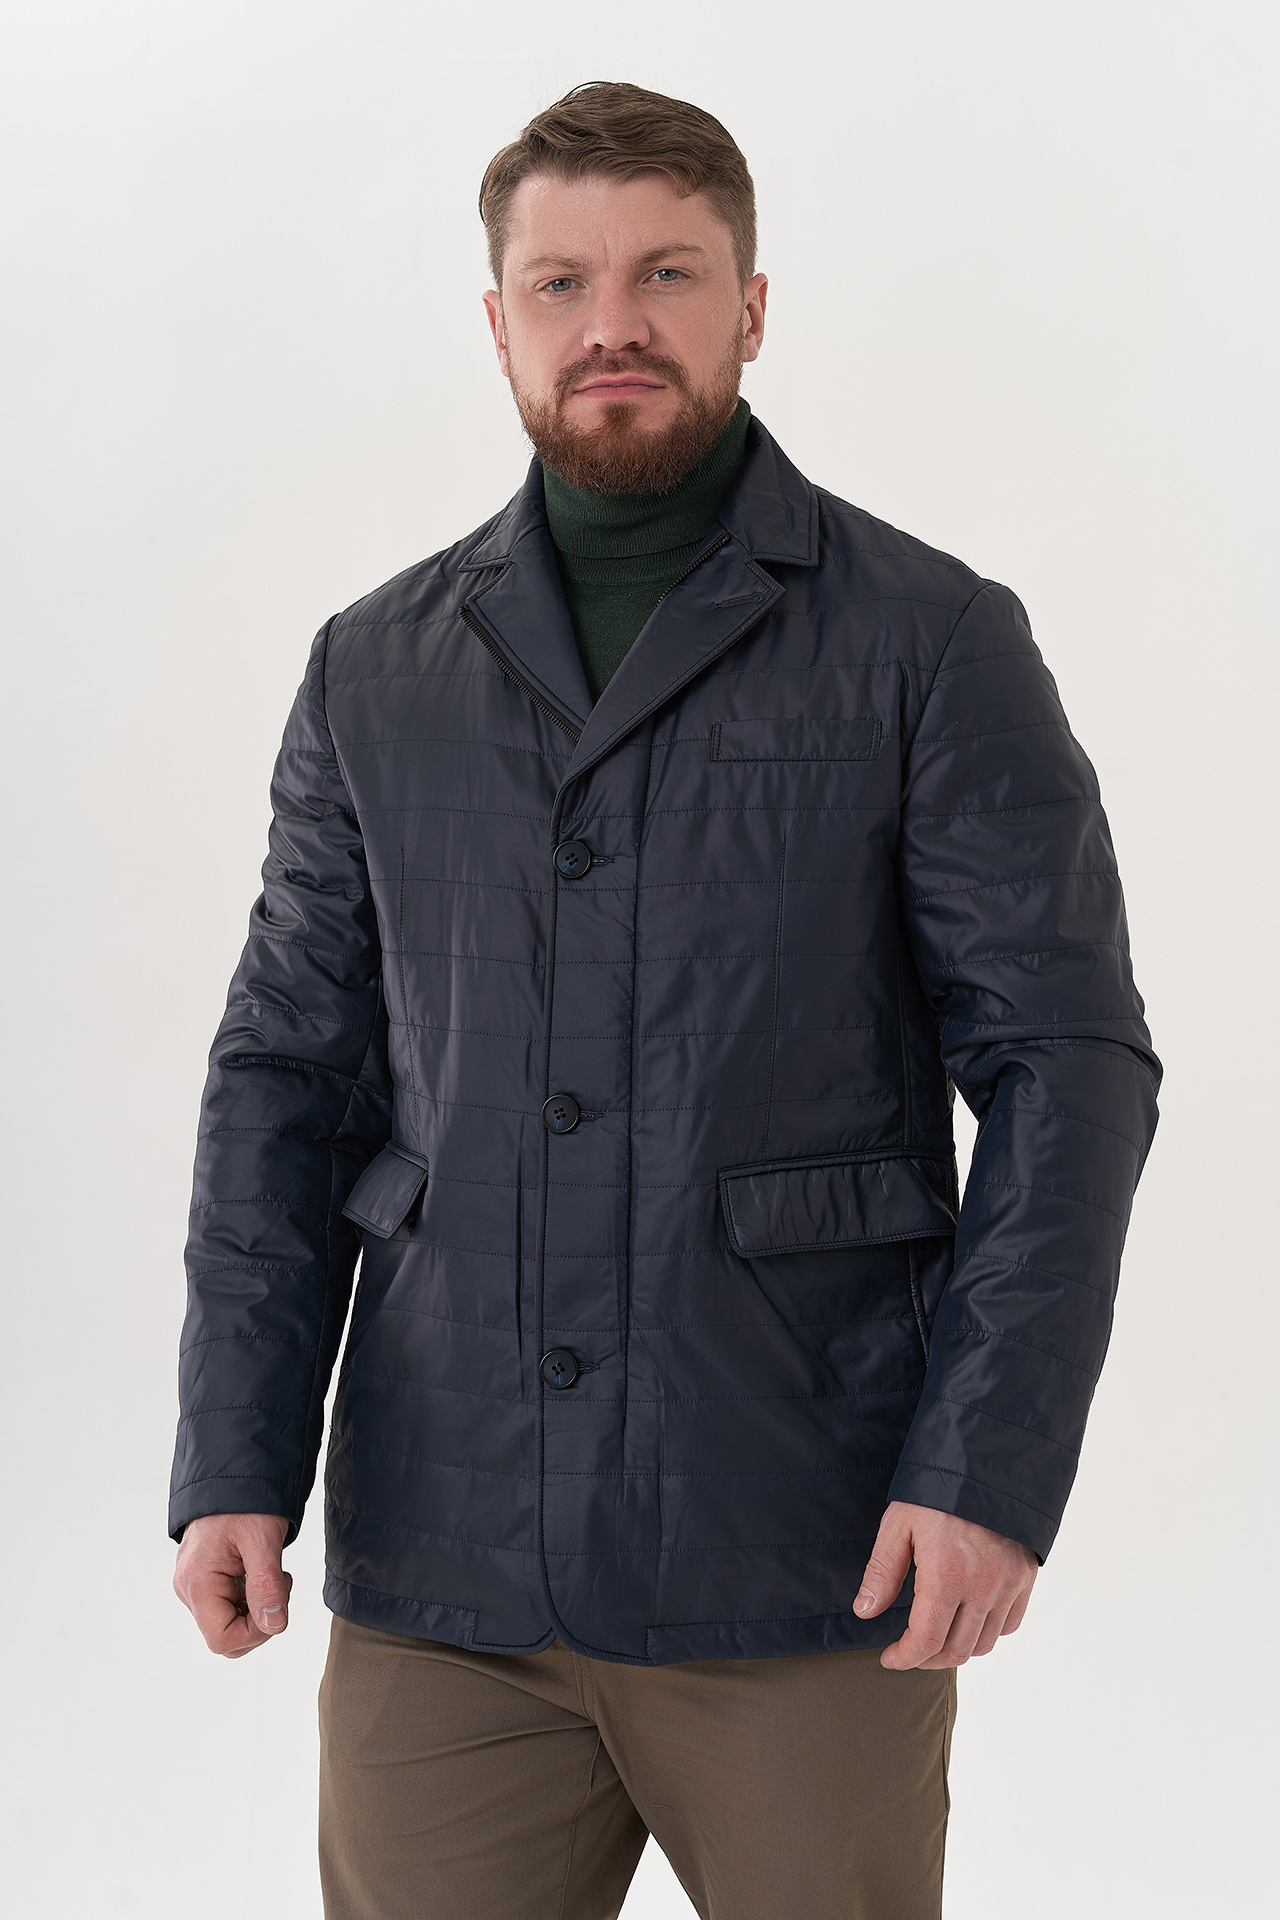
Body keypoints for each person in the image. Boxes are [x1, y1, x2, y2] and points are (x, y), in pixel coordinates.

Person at [170, 81, 1160, 1920]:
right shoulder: (374, 665)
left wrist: (990, 1468)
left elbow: (1069, 1067)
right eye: (561, 283)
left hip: (807, 1548)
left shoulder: (929, 641)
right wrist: (236, 1450)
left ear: (751, 308)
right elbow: (284, 1076)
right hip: (446, 1555)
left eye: (667, 275)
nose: (609, 322)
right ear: (499, 323)